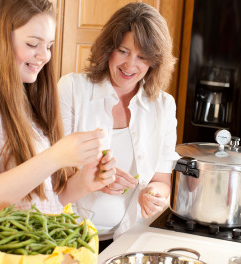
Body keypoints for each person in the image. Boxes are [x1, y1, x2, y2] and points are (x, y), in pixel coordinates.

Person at [0, 0, 116, 230]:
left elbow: (40, 204)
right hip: (1, 263)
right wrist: (55, 157)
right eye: (33, 43)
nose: (44, 56)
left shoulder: (29, 97)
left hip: (40, 257)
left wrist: (83, 182)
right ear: (0, 39)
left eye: (49, 46)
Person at [58, 2, 180, 251]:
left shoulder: (164, 106)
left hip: (131, 241)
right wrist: (93, 178)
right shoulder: (72, 90)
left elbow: (161, 180)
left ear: (154, 62)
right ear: (108, 48)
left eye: (143, 56)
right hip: (69, 239)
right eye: (123, 51)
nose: (130, 65)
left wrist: (154, 195)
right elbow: (52, 176)